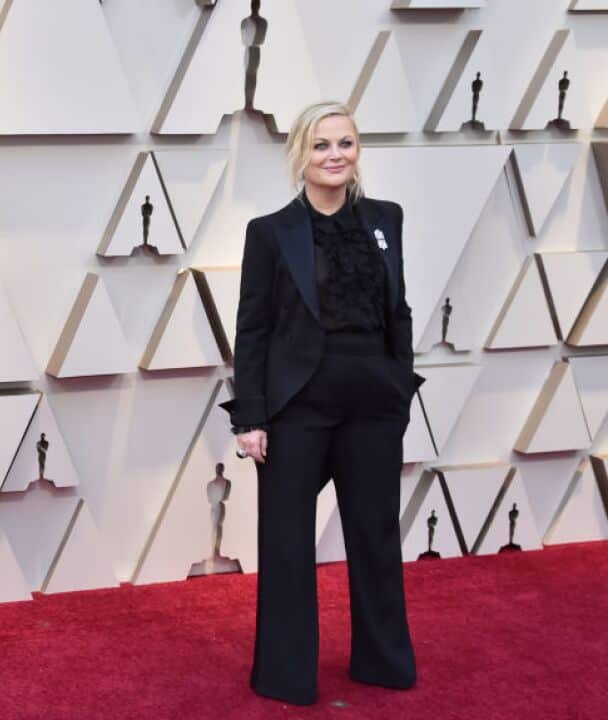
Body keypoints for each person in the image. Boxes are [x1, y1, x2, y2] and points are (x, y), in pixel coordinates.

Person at [218, 100, 425, 706]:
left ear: (358, 151)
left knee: (376, 535)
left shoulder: (388, 219)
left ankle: (384, 663)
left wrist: (399, 384)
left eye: (345, 144)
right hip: (297, 405)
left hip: (372, 402)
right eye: (321, 145)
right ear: (300, 156)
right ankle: (286, 676)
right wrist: (251, 415)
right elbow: (252, 327)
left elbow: (400, 310)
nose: (335, 156)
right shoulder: (270, 232)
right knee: (286, 543)